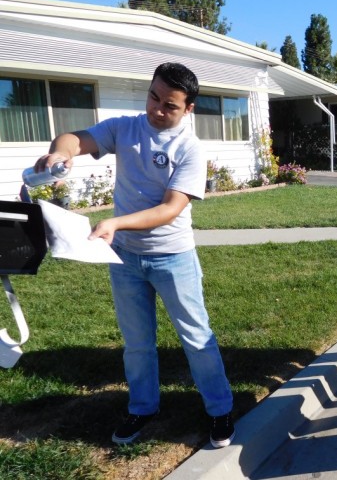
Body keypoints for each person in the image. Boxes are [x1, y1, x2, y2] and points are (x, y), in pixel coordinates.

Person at [32, 63, 235, 447]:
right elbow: (76, 139)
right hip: (125, 259)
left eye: (169, 106)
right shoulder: (124, 127)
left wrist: (116, 224)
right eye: (153, 97)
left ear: (188, 109)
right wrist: (61, 155)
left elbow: (169, 209)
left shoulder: (190, 149)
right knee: (137, 342)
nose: (157, 109)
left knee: (196, 337)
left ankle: (220, 409)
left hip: (173, 257)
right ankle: (143, 407)